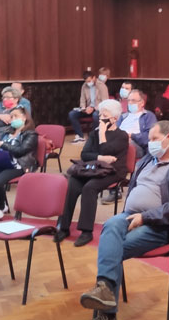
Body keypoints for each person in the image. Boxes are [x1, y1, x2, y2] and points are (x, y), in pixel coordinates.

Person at [78, 121, 169, 320]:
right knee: (110, 225)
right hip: (131, 216)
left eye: (154, 139)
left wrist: (145, 217)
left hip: (163, 226)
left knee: (112, 249)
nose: (149, 143)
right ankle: (104, 290)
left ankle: (106, 316)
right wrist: (134, 215)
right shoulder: (145, 162)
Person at [56, 100, 130, 247]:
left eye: (105, 115)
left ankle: (86, 231)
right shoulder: (94, 133)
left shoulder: (122, 135)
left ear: (114, 118)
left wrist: (102, 134)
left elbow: (107, 150)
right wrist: (101, 157)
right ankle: (63, 227)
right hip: (95, 168)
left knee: (89, 187)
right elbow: (85, 154)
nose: (101, 118)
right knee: (72, 183)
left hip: (114, 171)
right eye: (100, 114)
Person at [0, 106, 38, 223]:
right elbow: (1, 145)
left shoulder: (31, 134)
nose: (13, 119)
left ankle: (1, 206)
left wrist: (2, 144)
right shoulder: (8, 132)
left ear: (24, 118)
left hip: (19, 165)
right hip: (3, 162)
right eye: (11, 116)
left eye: (16, 116)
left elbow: (21, 151)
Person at [69, 71, 108, 143]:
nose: (88, 83)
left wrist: (93, 108)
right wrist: (84, 108)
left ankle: (93, 136)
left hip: (98, 109)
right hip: (88, 109)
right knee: (72, 114)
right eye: (86, 81)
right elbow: (82, 99)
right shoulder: (84, 86)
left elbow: (105, 102)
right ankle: (80, 136)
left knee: (95, 115)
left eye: (89, 81)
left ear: (94, 78)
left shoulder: (102, 86)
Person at [118, 89, 158, 158]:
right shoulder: (123, 116)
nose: (130, 103)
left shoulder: (148, 116)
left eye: (133, 100)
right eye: (128, 100)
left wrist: (132, 136)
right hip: (119, 140)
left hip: (137, 145)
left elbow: (149, 137)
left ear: (142, 103)